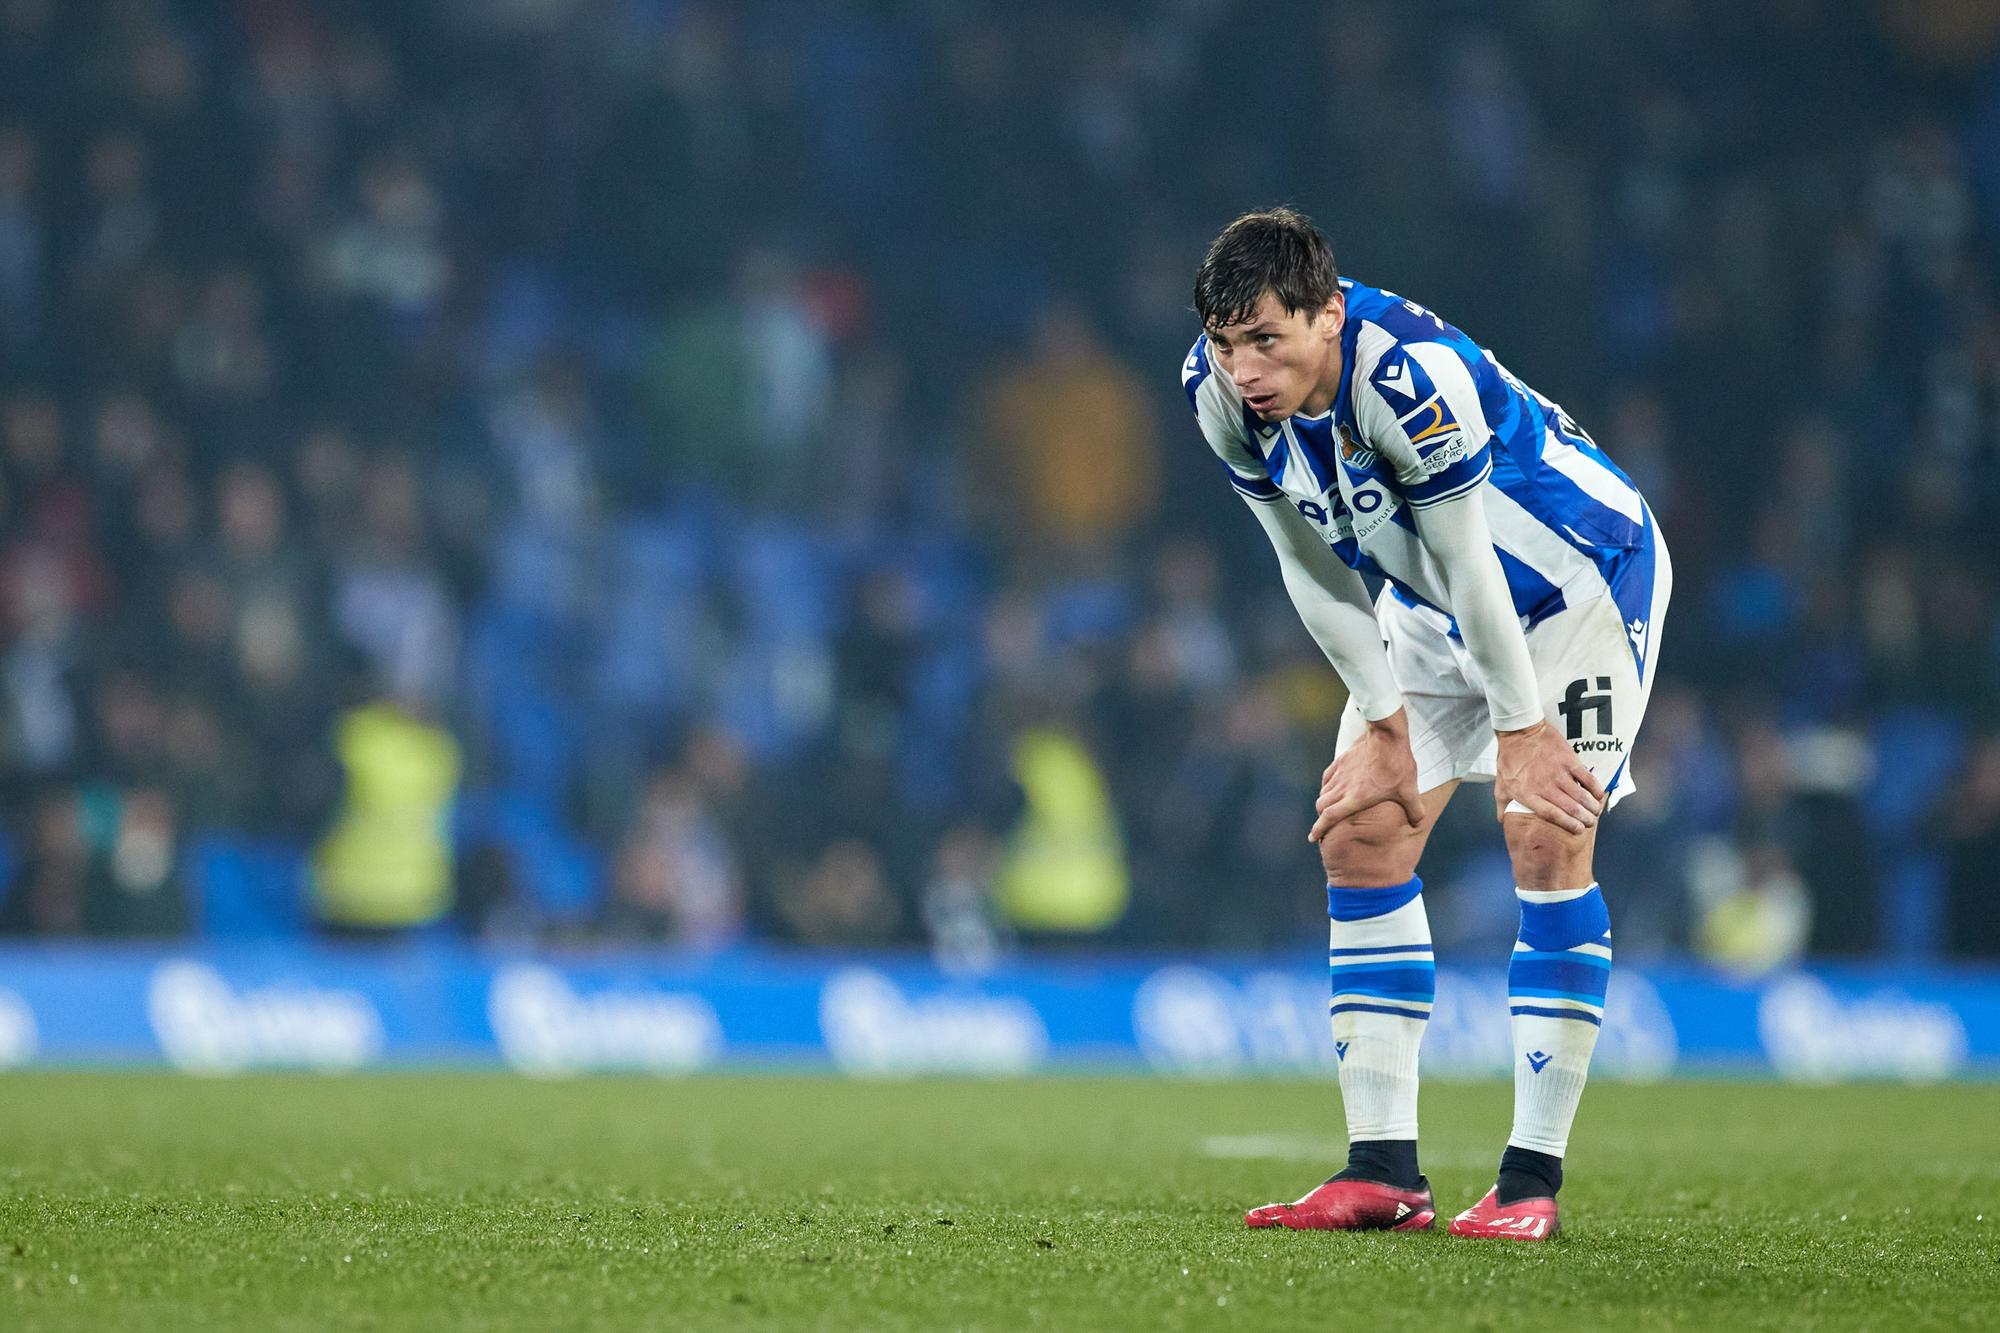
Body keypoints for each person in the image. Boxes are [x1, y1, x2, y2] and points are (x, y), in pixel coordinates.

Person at [1181, 208, 1670, 1240]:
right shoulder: (1216, 397)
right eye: (1227, 344)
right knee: (1360, 832)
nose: (1244, 368)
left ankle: (1529, 1182)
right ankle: (1382, 1173)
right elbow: (1303, 561)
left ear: (1326, 312)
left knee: (1542, 831)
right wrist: (1378, 716)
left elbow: (1469, 563)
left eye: (1266, 339)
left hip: (1574, 583)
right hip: (1432, 598)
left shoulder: (1405, 376)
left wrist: (1523, 726)